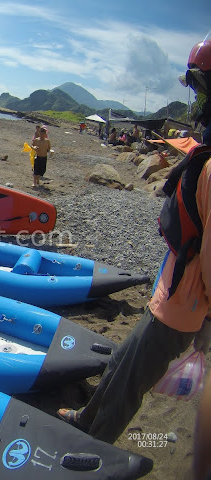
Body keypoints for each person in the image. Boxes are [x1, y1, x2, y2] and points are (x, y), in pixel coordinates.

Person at [57, 38, 211, 444]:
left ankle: (91, 448)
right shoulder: (206, 156)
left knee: (128, 383)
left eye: (198, 87)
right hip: (171, 291)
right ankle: (86, 418)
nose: (195, 99)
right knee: (122, 362)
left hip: (183, 305)